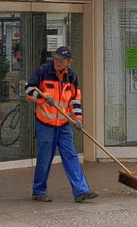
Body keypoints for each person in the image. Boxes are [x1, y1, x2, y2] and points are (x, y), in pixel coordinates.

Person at [25, 46, 99, 203]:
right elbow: (28, 90)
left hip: (64, 124)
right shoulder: (43, 71)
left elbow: (75, 100)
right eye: (56, 59)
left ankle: (81, 191)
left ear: (69, 62)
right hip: (45, 123)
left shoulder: (72, 77)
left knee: (71, 155)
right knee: (45, 159)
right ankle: (39, 191)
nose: (58, 62)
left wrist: (78, 118)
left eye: (62, 60)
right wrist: (43, 97)